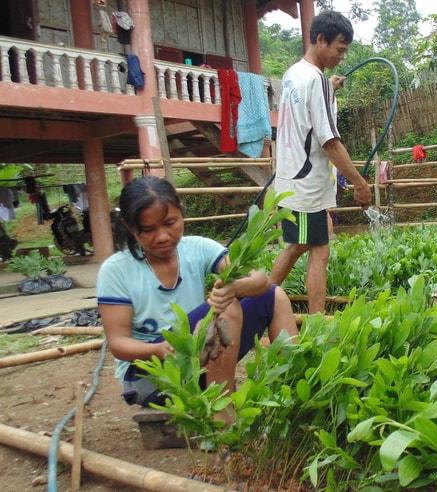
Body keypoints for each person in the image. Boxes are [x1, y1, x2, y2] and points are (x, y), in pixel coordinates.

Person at [96, 176, 298, 415]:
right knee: (227, 309)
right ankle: (222, 415)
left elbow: (260, 280)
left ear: (182, 214)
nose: (162, 236)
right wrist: (158, 349)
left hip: (201, 360)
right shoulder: (117, 270)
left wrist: (236, 288)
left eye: (170, 223)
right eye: (148, 230)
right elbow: (118, 344)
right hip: (152, 376)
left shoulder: (197, 249)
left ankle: (293, 392)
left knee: (273, 295)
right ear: (132, 228)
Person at [271, 11, 371, 314]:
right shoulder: (315, 81)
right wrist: (360, 183)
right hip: (305, 185)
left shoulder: (293, 75)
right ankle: (315, 327)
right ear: (320, 40)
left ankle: (256, 302)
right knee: (319, 251)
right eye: (339, 49)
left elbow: (307, 113)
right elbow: (329, 141)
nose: (342, 56)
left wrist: (331, 89)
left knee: (298, 246)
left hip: (292, 180)